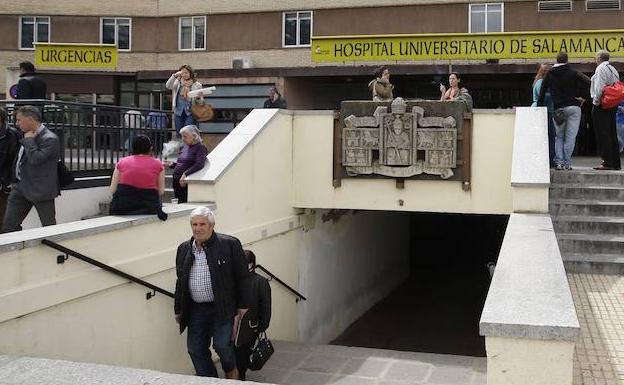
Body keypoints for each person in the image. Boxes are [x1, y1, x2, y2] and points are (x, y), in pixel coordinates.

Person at [174, 207, 250, 379]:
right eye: (194, 224)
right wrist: (178, 309)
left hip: (222, 308)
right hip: (196, 310)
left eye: (202, 224)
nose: (198, 228)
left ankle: (231, 371)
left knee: (222, 346)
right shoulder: (184, 248)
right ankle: (210, 380)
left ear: (212, 226)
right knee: (195, 349)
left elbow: (243, 278)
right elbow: (180, 281)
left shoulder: (229, 244)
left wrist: (243, 307)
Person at [2, 106, 59, 233]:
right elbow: (19, 160)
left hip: (41, 190)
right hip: (20, 188)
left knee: (49, 227)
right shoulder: (23, 134)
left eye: (19, 120)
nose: (17, 124)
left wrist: (28, 141)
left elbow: (35, 159)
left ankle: (56, 252)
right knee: (9, 227)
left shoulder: (50, 139)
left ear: (30, 119)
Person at [538, 52, 591, 170]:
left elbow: (542, 92)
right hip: (573, 108)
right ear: (567, 60)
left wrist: (539, 107)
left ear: (556, 60)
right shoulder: (573, 72)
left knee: (559, 136)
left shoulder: (550, 73)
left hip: (559, 109)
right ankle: (567, 162)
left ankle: (559, 162)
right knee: (570, 138)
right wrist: (582, 97)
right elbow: (588, 81)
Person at [109, 135, 167, 220]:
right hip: (148, 207)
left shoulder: (122, 162)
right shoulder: (158, 164)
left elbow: (113, 189)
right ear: (150, 148)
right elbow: (161, 191)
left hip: (122, 207)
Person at [234, 249, 271, 381]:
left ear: (251, 265)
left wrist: (262, 326)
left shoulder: (260, 282)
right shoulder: (234, 280)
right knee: (232, 353)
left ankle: (240, 377)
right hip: (233, 324)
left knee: (242, 354)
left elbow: (266, 307)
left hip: (250, 326)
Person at [590, 50, 621, 170]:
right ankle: (615, 162)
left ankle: (607, 162)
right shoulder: (613, 69)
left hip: (603, 104)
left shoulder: (600, 68)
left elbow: (599, 87)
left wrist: (596, 102)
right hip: (612, 104)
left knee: (602, 133)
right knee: (612, 133)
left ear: (599, 58)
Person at [164, 125, 208, 204]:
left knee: (184, 203)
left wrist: (185, 174)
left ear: (194, 136)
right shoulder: (186, 147)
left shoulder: (200, 147)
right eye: (182, 137)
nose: (183, 139)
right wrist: (172, 164)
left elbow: (199, 164)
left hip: (185, 181)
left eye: (185, 137)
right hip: (177, 180)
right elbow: (183, 163)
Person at [165, 64, 205, 134]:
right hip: (178, 111)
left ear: (190, 73)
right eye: (182, 73)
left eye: (186, 73)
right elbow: (168, 86)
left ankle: (189, 145)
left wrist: (199, 97)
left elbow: (201, 102)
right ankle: (182, 145)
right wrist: (174, 76)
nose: (184, 74)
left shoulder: (197, 85)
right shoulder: (177, 82)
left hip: (191, 112)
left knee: (188, 132)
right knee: (179, 132)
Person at [531, 64, 556, 167]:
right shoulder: (541, 83)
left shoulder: (538, 82)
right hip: (543, 110)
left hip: (542, 110)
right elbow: (544, 97)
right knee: (549, 136)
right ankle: (549, 160)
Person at [0, 108, 20, 230]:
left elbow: (16, 162)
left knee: (5, 221)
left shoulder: (12, 135)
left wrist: (8, 182)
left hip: (4, 185)